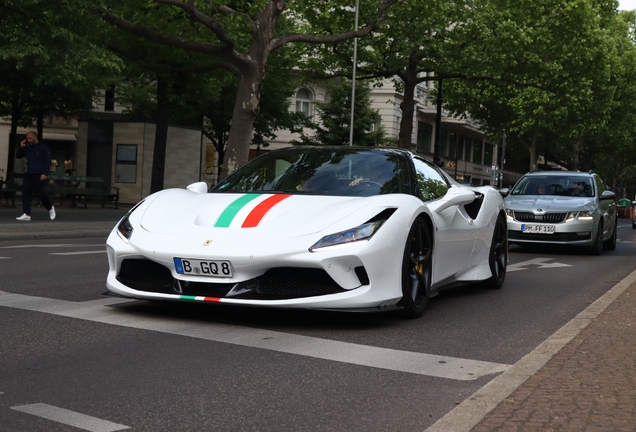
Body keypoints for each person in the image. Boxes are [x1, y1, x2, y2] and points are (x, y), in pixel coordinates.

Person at [15, 132, 56, 221]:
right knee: (26, 192)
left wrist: (45, 173)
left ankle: (50, 207)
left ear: (35, 137)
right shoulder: (28, 148)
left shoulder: (43, 148)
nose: (28, 140)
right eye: (27, 139)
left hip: (39, 173)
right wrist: (21, 147)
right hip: (29, 173)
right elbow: (18, 156)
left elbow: (48, 161)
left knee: (40, 193)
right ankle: (26, 213)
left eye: (30, 138)